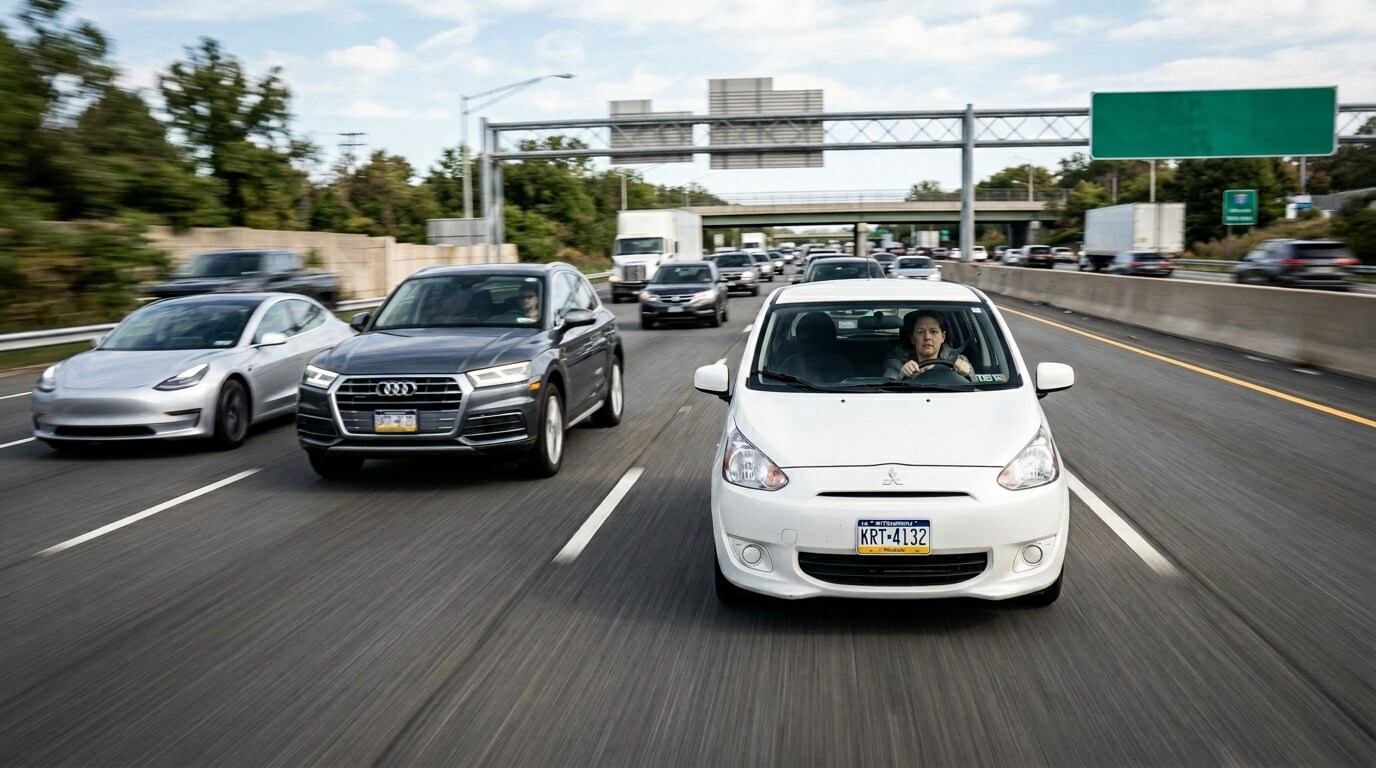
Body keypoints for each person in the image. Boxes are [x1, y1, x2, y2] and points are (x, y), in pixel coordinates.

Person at [883, 310, 973, 381]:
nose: (927, 337)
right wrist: (902, 376)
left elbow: (978, 391)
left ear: (943, 337)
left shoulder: (958, 361)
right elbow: (885, 395)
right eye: (920, 332)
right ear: (912, 338)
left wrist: (967, 374)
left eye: (933, 331)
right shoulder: (896, 364)